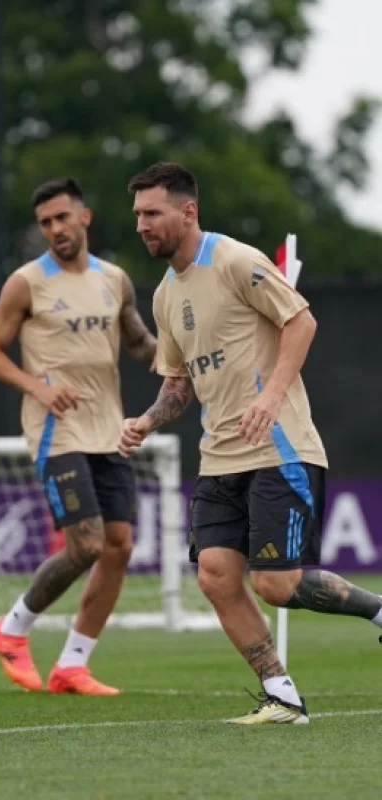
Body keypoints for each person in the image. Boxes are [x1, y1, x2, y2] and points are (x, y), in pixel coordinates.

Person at [119, 161, 382, 724]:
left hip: (279, 448)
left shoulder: (236, 259)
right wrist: (147, 420)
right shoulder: (165, 296)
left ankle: (379, 611)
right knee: (215, 574)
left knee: (274, 583)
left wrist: (271, 397)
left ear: (188, 211)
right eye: (138, 214)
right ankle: (282, 694)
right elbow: (178, 384)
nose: (142, 225)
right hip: (219, 458)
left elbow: (301, 322)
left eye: (152, 213)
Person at [0, 177, 156, 695]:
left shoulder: (115, 279)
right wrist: (37, 386)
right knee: (86, 544)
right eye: (45, 223)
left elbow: (140, 343)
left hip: (109, 428)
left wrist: (182, 354)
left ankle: (72, 664)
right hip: (57, 431)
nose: (54, 229)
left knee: (119, 547)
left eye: (62, 218)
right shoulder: (26, 283)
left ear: (85, 218)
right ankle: (11, 630)